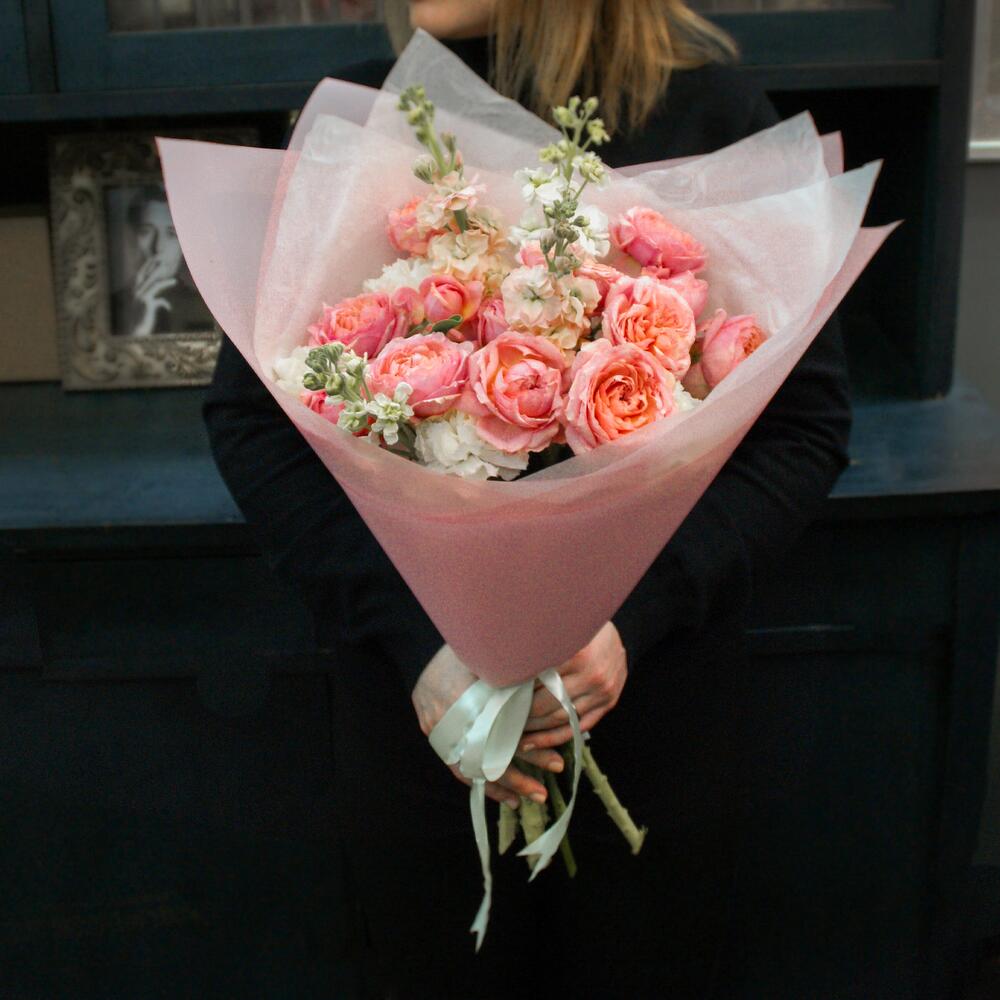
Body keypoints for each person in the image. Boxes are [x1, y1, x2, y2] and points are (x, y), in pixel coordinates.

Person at [203, 1, 851, 996]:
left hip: (652, 721)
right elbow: (257, 426)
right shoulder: (374, 118)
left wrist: (633, 621)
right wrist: (423, 651)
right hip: (424, 730)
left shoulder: (713, 115)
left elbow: (802, 428)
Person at [111, 186, 211, 337]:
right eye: (146, 231)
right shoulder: (110, 308)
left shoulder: (205, 307)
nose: (158, 247)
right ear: (133, 238)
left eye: (171, 234)